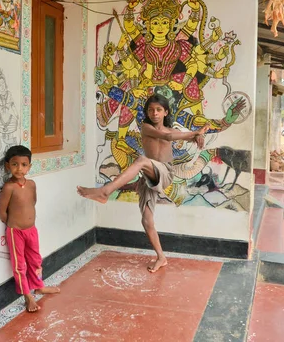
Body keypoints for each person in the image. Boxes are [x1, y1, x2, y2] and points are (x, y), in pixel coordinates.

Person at [77, 94, 209, 272]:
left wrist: (197, 136)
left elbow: (173, 135)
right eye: (151, 110)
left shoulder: (170, 130)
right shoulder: (146, 127)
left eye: (158, 110)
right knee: (146, 220)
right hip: (149, 175)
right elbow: (167, 136)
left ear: (165, 112)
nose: (154, 113)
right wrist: (196, 133)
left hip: (165, 172)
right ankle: (161, 257)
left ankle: (105, 191)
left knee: (141, 160)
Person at [0, 145, 60, 312]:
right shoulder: (9, 187)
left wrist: (27, 222)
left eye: (24, 165)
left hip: (32, 230)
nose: (19, 169)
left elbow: (33, 202)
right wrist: (14, 224)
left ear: (29, 166)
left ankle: (38, 285)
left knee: (35, 260)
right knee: (20, 265)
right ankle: (28, 296)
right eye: (15, 164)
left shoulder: (31, 184)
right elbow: (2, 212)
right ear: (7, 166)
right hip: (15, 232)